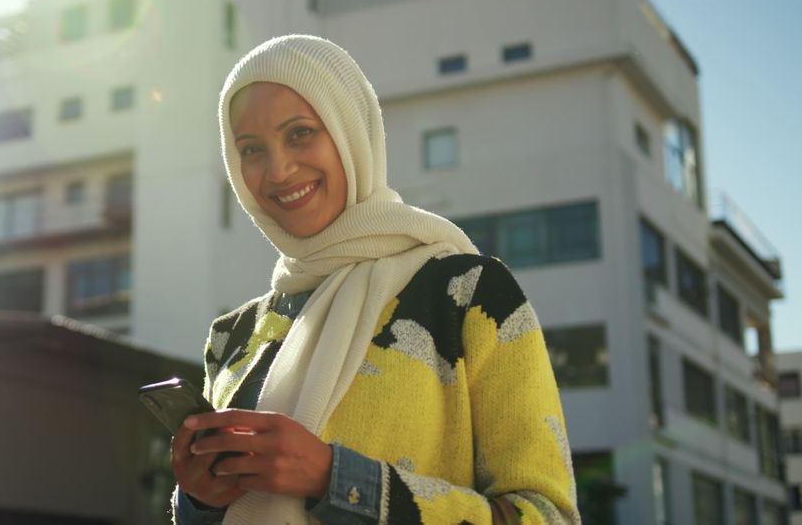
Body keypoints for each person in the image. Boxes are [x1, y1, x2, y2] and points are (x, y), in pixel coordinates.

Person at [170, 34, 580, 524]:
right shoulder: (232, 336)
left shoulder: (468, 296)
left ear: (350, 131)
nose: (277, 169)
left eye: (299, 133)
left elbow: (547, 517)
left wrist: (334, 479)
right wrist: (198, 501)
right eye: (251, 149)